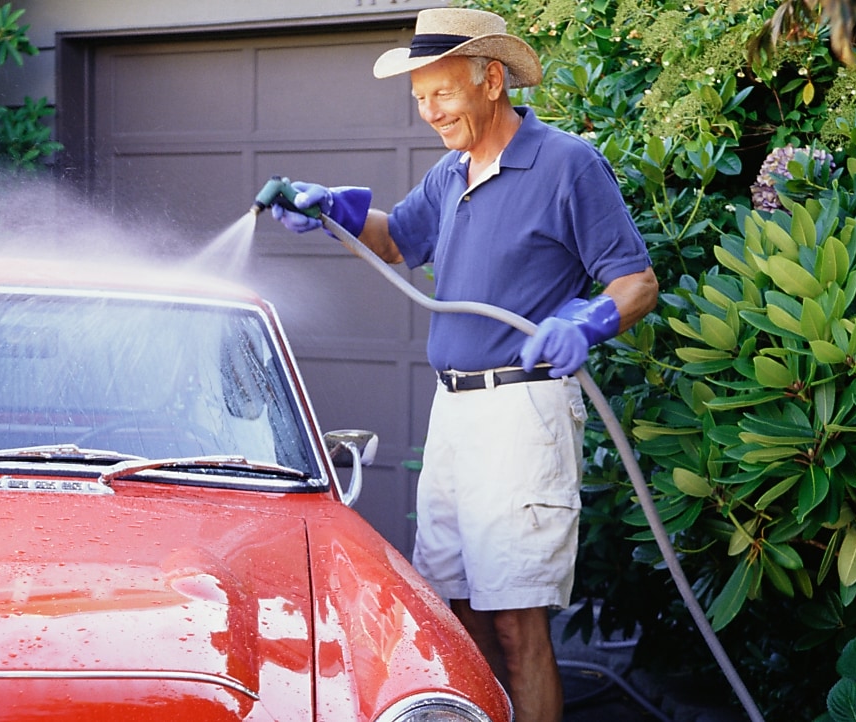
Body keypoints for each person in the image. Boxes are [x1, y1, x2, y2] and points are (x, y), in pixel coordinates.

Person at [272, 8, 658, 722]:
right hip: (455, 415)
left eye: (441, 94)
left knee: (517, 624)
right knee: (455, 614)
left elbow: (636, 281)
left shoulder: (567, 162)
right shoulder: (452, 174)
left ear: (489, 79)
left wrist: (589, 319)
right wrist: (332, 211)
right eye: (419, 99)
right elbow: (397, 242)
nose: (429, 113)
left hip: (522, 417)